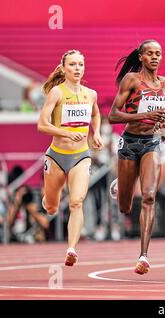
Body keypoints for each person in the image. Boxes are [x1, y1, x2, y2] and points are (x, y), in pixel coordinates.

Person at [108, 40, 165, 275]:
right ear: (141, 57)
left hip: (152, 145)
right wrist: (145, 115)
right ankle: (120, 184)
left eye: (159, 53)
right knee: (125, 206)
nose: (155, 57)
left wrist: (164, 122)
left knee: (149, 196)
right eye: (150, 53)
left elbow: (164, 118)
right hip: (129, 144)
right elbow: (113, 116)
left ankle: (144, 255)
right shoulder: (132, 80)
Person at [38, 49, 104, 265]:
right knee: (52, 207)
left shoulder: (90, 94)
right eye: (73, 65)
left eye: (80, 65)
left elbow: (95, 113)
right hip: (56, 156)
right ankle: (48, 200)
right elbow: (42, 125)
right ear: (64, 68)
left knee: (76, 202)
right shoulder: (56, 93)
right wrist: (66, 132)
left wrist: (97, 133)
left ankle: (72, 249)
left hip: (81, 156)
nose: (77, 68)